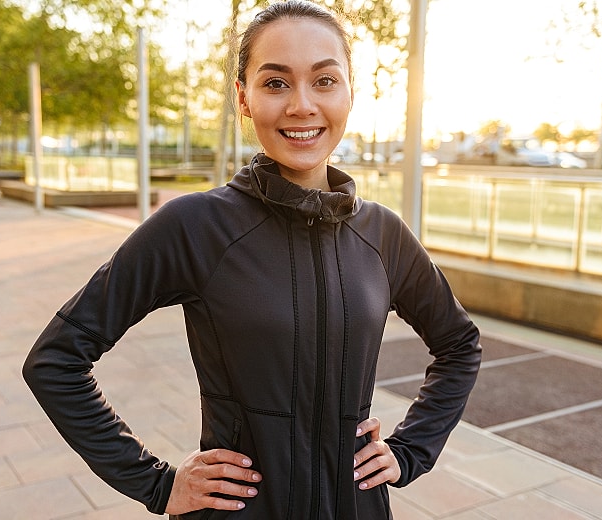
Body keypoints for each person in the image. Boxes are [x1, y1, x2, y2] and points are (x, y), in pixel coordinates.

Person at [23, 1, 481, 518]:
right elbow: (56, 361)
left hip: (356, 508)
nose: (303, 105)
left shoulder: (382, 234)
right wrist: (155, 484)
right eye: (276, 82)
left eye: (325, 81)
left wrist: (409, 451)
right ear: (244, 98)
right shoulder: (195, 226)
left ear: (352, 91)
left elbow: (459, 344)